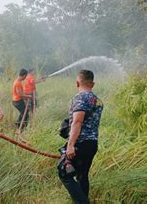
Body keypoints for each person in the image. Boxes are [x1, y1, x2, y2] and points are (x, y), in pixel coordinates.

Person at [58, 70, 103, 204]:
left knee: (64, 172)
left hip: (80, 143)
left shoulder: (80, 98)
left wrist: (71, 145)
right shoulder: (98, 100)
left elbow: (78, 121)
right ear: (93, 84)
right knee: (82, 175)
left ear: (77, 83)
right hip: (92, 143)